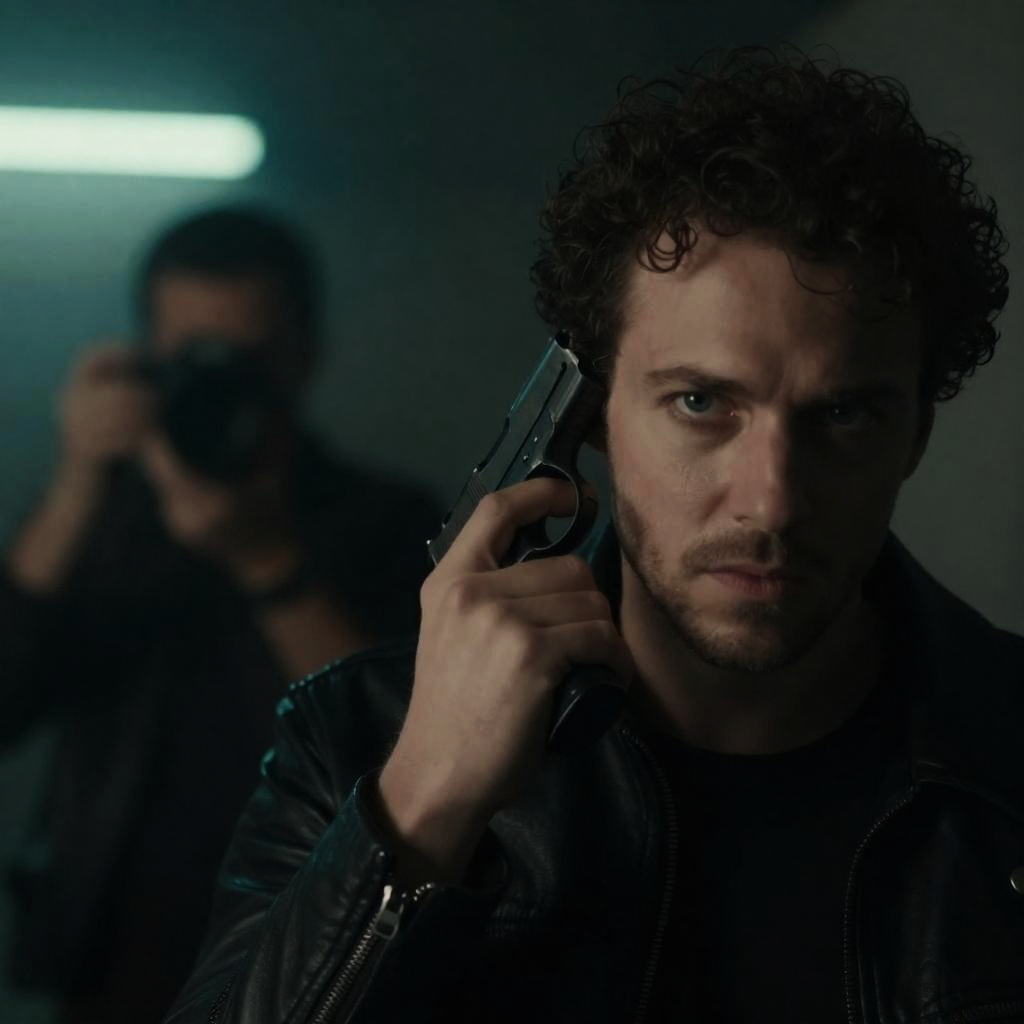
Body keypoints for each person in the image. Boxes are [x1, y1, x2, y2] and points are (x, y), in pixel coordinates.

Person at [165, 50, 1021, 1024]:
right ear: (596, 420)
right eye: (700, 402)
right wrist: (422, 805)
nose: (771, 503)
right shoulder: (357, 737)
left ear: (916, 434)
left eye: (845, 415)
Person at [0, 206, 440, 1023]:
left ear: (304, 356)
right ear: (147, 357)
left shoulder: (388, 521)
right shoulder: (103, 514)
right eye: (193, 357)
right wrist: (76, 483)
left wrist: (266, 560)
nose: (220, 379)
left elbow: (404, 747)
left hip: (314, 955)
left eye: (247, 359)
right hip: (111, 963)